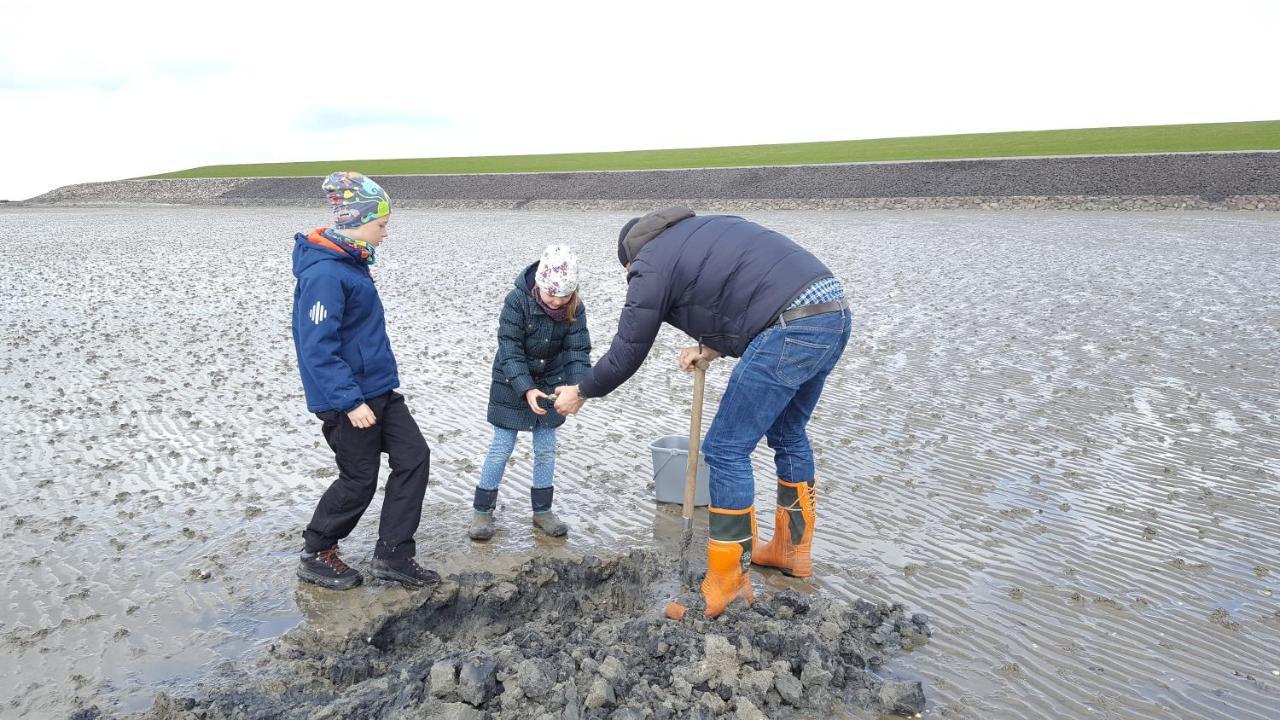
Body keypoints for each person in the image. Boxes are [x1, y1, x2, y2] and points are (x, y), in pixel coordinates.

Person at [554, 207, 850, 617]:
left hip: (790, 327)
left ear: (628, 260)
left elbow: (628, 350)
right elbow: (741, 297)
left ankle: (729, 585)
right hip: (831, 313)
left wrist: (582, 391)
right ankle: (790, 551)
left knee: (726, 448)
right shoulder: (702, 229)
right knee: (788, 434)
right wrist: (712, 347)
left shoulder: (649, 262)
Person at [290, 170, 438, 590]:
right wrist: (349, 402)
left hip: (379, 391)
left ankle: (394, 554)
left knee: (414, 458)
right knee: (359, 478)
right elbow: (317, 347)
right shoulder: (324, 274)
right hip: (348, 401)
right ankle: (316, 551)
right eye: (382, 224)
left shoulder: (351, 264)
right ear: (358, 221)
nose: (386, 232)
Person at [469, 245, 591, 541]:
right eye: (552, 295)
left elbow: (577, 351)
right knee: (501, 447)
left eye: (565, 296)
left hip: (552, 383)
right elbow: (509, 349)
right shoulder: (516, 301)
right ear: (539, 284)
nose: (558, 301)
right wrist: (525, 388)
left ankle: (542, 511)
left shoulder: (575, 308)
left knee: (546, 449)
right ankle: (482, 511)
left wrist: (578, 388)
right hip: (511, 382)